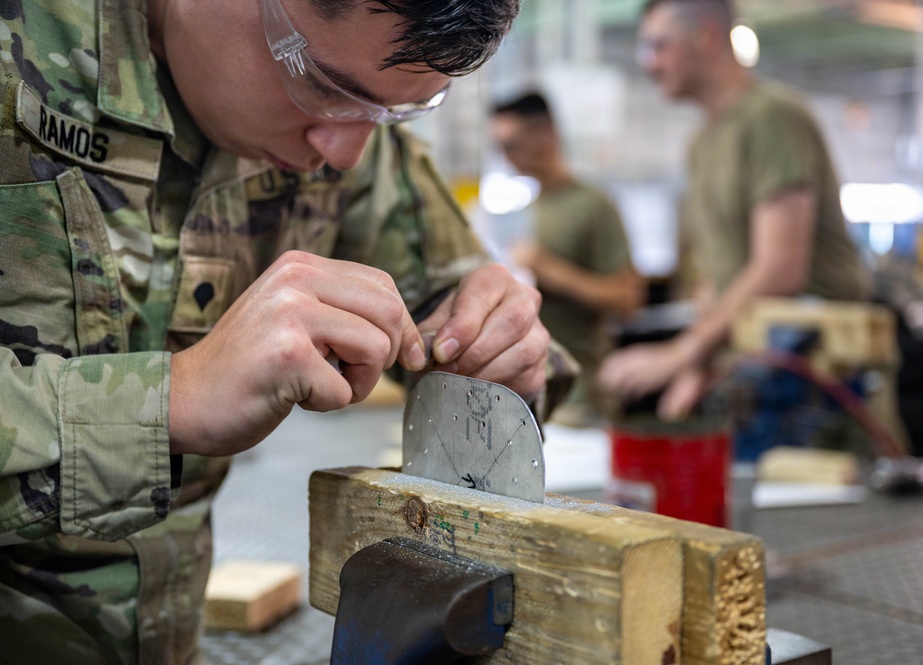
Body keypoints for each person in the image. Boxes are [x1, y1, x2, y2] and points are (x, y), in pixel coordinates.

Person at [0, 1, 575, 662]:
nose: (345, 150)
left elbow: (451, 298)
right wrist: (168, 400)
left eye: (394, 115)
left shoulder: (354, 102)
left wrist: (499, 350)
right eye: (323, 87)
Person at [599, 0, 869, 420]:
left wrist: (680, 354)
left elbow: (781, 269)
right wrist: (697, 366)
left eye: (658, 46)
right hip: (754, 371)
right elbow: (716, 278)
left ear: (706, 35)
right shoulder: (702, 144)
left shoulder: (772, 117)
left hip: (820, 378)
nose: (649, 64)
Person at [490, 92, 644, 427]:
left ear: (545, 135)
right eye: (499, 147)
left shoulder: (592, 206)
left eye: (511, 144)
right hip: (524, 393)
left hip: (578, 395)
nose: (506, 157)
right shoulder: (520, 210)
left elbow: (628, 298)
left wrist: (554, 272)